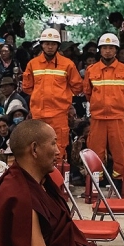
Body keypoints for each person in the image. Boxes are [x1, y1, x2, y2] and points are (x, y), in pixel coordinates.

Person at [83, 33, 124, 179]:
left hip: (117, 118)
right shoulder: (91, 70)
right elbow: (87, 92)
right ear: (100, 50)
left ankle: (121, 184)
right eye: (104, 48)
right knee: (95, 151)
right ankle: (96, 184)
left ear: (116, 50)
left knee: (120, 151)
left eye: (111, 48)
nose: (107, 51)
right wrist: (98, 104)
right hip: (98, 118)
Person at [23, 28, 83, 160]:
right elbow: (27, 87)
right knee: (36, 151)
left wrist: (62, 97)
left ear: (58, 46)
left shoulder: (67, 64)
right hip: (38, 115)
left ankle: (58, 180)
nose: (50, 47)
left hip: (59, 116)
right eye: (47, 43)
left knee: (58, 151)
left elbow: (77, 87)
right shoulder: (33, 64)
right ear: (42, 44)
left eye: (53, 44)